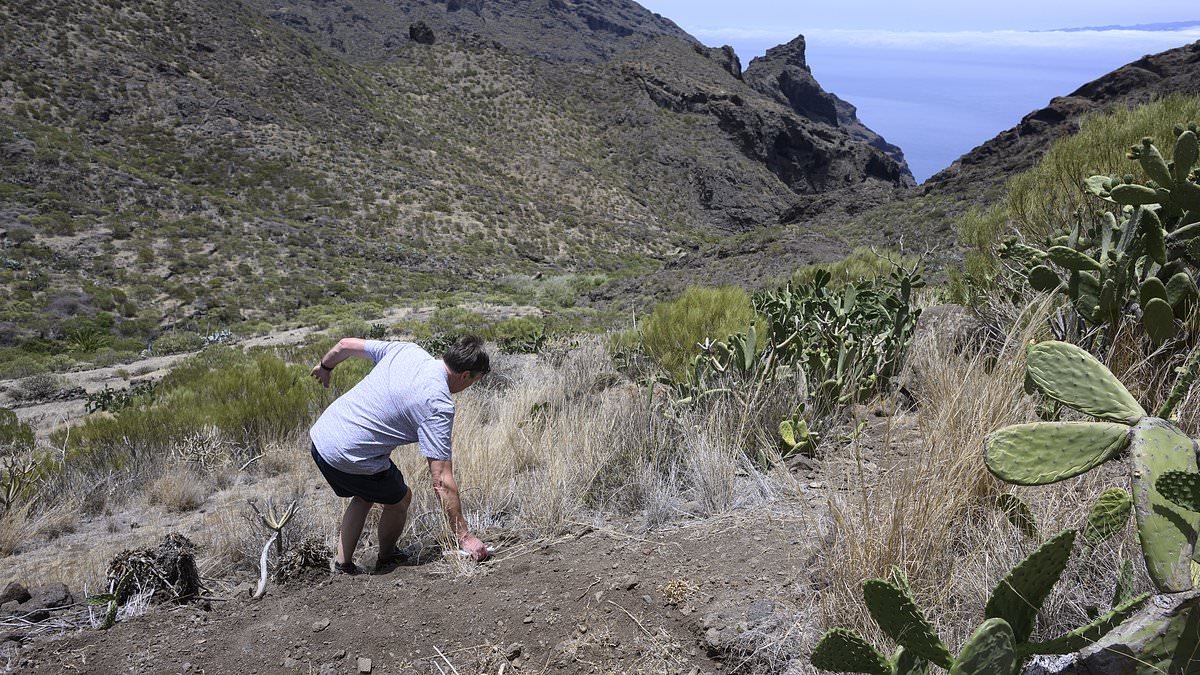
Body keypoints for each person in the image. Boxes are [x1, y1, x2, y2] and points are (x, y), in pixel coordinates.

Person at [308, 334, 491, 574]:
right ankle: (387, 557)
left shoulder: (408, 351)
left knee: (365, 494)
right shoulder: (437, 403)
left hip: (321, 437)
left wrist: (325, 366)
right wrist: (464, 537)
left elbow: (345, 345)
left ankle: (343, 565)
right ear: (465, 375)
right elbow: (441, 480)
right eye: (474, 381)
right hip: (348, 455)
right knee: (400, 498)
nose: (470, 386)